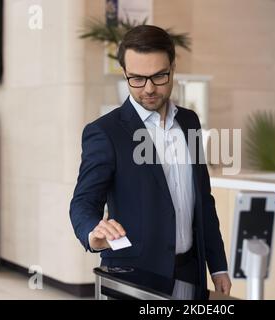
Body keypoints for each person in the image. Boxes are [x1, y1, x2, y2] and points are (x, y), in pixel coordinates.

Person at [69, 25, 231, 295]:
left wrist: (217, 266)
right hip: (134, 277)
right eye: (137, 79)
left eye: (159, 76)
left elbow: (203, 199)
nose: (149, 88)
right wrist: (93, 233)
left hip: (189, 275)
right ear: (124, 74)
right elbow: (83, 201)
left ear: (173, 68)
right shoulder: (105, 132)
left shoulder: (189, 122)